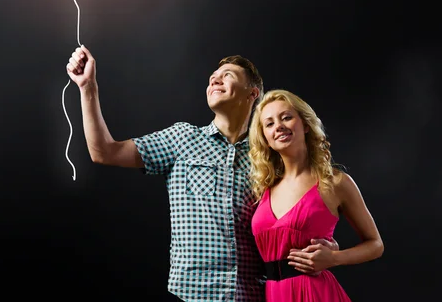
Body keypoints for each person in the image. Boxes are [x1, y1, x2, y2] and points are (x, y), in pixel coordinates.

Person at [65, 45, 337, 302]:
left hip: (254, 295)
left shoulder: (270, 158)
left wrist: (328, 248)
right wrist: (88, 87)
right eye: (212, 78)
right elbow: (104, 151)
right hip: (192, 295)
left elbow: (296, 218)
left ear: (252, 94)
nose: (215, 81)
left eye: (226, 76)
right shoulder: (181, 138)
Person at [248, 89, 384, 301]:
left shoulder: (336, 182)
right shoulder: (263, 188)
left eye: (286, 117)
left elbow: (375, 244)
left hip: (314, 294)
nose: (279, 126)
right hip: (272, 294)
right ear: (265, 138)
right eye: (269, 123)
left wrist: (334, 257)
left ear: (305, 124)